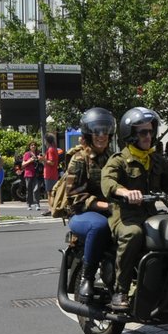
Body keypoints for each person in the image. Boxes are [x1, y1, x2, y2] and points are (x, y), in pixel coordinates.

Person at [100, 107, 168, 311]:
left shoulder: (155, 160)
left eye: (150, 131)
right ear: (130, 134)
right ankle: (120, 291)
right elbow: (107, 181)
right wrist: (124, 192)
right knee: (133, 234)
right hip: (125, 216)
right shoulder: (119, 160)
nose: (148, 136)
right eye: (142, 132)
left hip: (150, 215)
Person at [64, 108, 117, 299]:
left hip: (111, 209)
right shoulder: (79, 160)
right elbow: (74, 196)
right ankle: (87, 278)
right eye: (96, 131)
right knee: (99, 226)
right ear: (88, 133)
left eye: (105, 131)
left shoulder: (113, 158)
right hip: (81, 213)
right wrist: (104, 206)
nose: (101, 135)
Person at [42, 134, 65, 213]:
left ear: (47, 141)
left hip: (49, 173)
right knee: (51, 192)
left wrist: (43, 159)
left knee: (50, 192)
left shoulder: (51, 149)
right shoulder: (53, 149)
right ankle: (52, 208)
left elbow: (51, 162)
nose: (44, 142)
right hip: (52, 173)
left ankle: (51, 209)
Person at [20, 146, 42, 211]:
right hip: (28, 173)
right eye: (32, 145)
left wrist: (40, 159)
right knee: (29, 189)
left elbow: (42, 162)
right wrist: (30, 160)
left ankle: (37, 204)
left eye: (35, 145)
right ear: (29, 147)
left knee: (36, 189)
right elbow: (23, 165)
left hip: (37, 174)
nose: (33, 146)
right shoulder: (27, 154)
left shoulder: (38, 153)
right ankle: (29, 204)